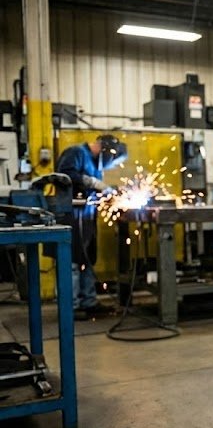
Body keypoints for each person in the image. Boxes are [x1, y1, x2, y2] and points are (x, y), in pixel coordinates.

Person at [56, 134, 126, 318]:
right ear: (104, 149)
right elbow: (64, 175)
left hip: (87, 215)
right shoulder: (75, 153)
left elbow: (96, 191)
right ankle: (72, 307)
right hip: (71, 214)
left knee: (87, 258)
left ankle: (89, 302)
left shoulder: (95, 162)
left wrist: (109, 193)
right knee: (72, 261)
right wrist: (92, 182)